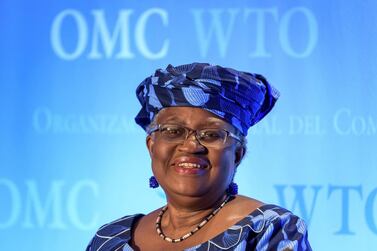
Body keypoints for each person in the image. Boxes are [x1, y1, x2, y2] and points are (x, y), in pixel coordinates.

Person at [86, 63, 312, 251]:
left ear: (237, 154)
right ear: (151, 146)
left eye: (211, 134)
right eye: (173, 131)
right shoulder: (110, 239)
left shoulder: (270, 230)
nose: (191, 145)